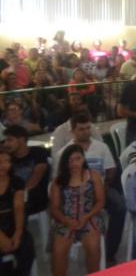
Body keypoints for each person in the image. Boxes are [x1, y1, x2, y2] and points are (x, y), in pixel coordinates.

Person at [58, 112, 125, 265]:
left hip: (101, 188)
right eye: (81, 129)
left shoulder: (101, 147)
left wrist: (104, 186)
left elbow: (111, 170)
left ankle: (109, 252)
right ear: (73, 131)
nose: (86, 132)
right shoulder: (65, 153)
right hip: (76, 194)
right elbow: (61, 180)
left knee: (120, 207)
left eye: (88, 128)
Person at [50, 144, 105, 276]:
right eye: (70, 160)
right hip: (65, 219)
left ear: (83, 159)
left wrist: (86, 216)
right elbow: (54, 208)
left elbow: (100, 201)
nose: (74, 164)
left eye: (78, 159)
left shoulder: (93, 176)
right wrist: (66, 220)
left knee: (93, 248)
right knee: (58, 252)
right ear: (65, 163)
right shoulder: (58, 181)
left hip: (89, 217)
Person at [0, 149, 35, 276]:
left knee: (26, 245)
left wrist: (18, 232)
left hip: (12, 223)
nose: (3, 165)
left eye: (7, 161)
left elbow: (19, 207)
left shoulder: (16, 181)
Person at [3, 126, 49, 216]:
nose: (6, 144)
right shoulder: (8, 158)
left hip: (34, 199)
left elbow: (36, 176)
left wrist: (21, 194)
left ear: (22, 140)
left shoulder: (38, 152)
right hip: (11, 201)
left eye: (9, 140)